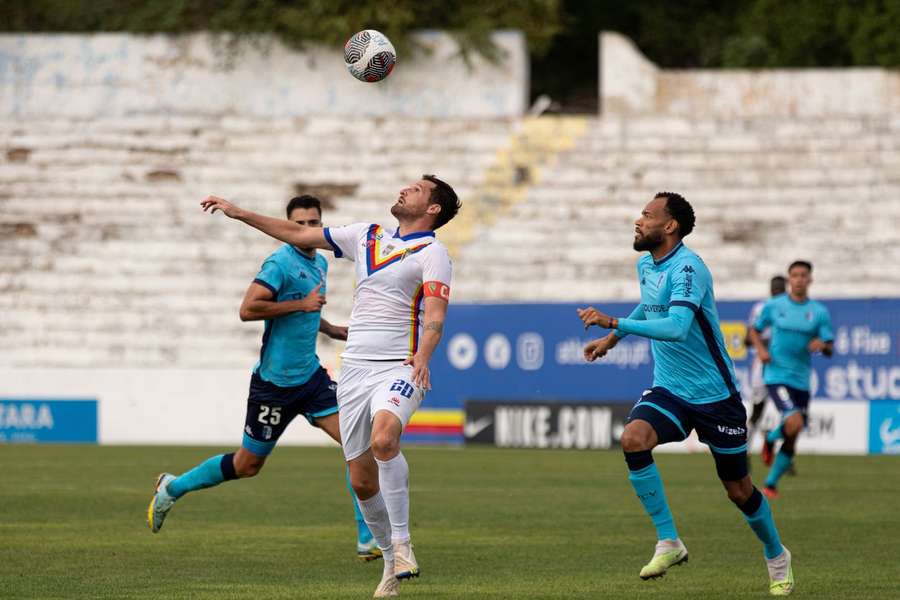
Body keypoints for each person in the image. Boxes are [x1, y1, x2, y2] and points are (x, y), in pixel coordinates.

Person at [200, 175, 459, 598]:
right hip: (355, 370)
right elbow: (298, 232)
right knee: (360, 480)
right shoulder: (366, 235)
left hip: (400, 366)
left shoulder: (434, 253)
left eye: (415, 189)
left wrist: (424, 356)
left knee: (385, 438)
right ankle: (391, 565)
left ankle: (402, 542)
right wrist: (238, 212)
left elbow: (435, 313)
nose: (403, 189)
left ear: (432, 209)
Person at [578, 192, 794, 596]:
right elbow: (650, 306)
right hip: (670, 389)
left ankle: (777, 555)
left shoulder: (690, 268)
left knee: (739, 490)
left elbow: (677, 326)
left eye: (647, 215)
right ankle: (669, 542)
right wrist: (612, 339)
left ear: (670, 225)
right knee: (632, 439)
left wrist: (612, 319)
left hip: (716, 397)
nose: (638, 220)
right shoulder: (646, 263)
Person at [147, 195, 380, 561]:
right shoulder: (279, 263)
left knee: (359, 444)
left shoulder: (319, 261)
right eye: (299, 224)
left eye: (313, 223)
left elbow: (307, 311)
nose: (307, 230)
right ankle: (172, 488)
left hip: (312, 380)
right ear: (288, 228)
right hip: (273, 386)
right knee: (247, 465)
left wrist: (330, 328)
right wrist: (300, 306)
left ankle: (367, 537)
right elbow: (248, 309)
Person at [748, 261, 833, 499]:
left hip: (802, 380)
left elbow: (829, 347)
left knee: (794, 433)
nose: (798, 279)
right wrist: (761, 351)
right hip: (776, 374)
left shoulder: (819, 312)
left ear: (810, 279)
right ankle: (771, 437)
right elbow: (753, 330)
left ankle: (771, 484)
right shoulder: (774, 306)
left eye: (803, 275)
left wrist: (822, 345)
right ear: (789, 279)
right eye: (794, 275)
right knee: (794, 421)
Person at [745, 276, 788, 453]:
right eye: (774, 289)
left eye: (780, 288)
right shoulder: (761, 309)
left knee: (789, 412)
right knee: (757, 411)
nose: (777, 291)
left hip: (785, 366)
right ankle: (744, 452)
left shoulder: (791, 309)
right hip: (763, 366)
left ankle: (783, 451)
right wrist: (763, 345)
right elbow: (747, 339)